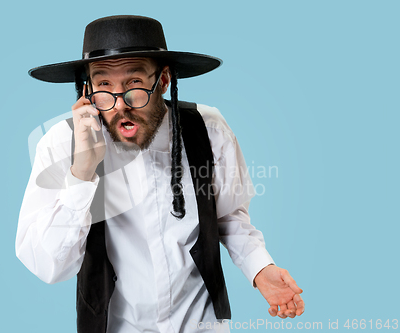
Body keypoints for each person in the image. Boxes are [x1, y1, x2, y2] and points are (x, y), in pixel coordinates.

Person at [16, 15, 304, 333]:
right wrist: (81, 173)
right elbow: (49, 266)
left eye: (135, 84)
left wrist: (260, 269)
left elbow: (229, 217)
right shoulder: (61, 144)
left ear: (163, 80)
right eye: (103, 85)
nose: (119, 104)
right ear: (87, 88)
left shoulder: (209, 129)